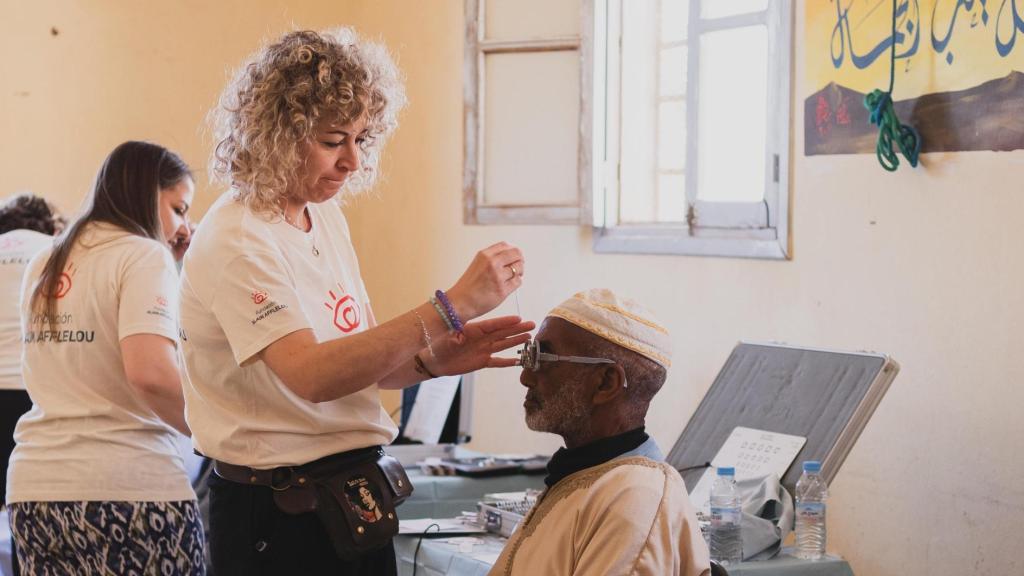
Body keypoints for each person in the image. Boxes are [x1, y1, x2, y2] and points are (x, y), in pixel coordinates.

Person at [181, 28, 531, 575]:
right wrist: (447, 308)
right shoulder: (239, 235)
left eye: (362, 140)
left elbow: (361, 366)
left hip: (352, 495)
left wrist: (433, 361)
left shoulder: (324, 216)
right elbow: (313, 377)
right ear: (276, 133)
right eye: (332, 140)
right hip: (279, 512)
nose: (352, 161)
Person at [6, 142, 204, 574]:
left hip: (35, 491)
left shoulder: (47, 259)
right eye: (179, 208)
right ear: (147, 193)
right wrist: (219, 435)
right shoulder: (141, 254)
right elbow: (150, 374)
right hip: (128, 488)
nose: (186, 227)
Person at [490, 289, 710, 576]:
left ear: (606, 383)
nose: (526, 376)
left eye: (543, 359)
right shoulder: (585, 477)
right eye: (530, 356)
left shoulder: (635, 495)